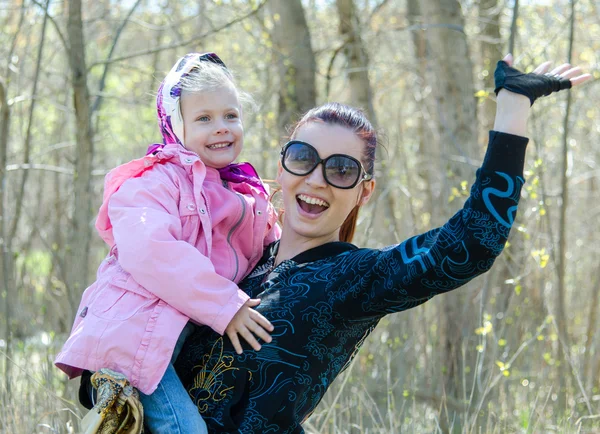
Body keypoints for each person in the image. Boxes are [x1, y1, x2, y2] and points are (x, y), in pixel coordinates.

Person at [173, 55, 591, 433]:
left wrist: (513, 106)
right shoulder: (237, 258)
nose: (317, 179)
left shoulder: (355, 278)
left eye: (340, 169)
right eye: (302, 157)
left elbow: (474, 241)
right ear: (282, 167)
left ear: (364, 191)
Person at [55, 52, 280, 433]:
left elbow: (269, 251)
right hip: (132, 337)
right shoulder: (154, 182)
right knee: (185, 428)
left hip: (178, 335)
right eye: (204, 119)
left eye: (230, 115)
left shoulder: (245, 194)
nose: (222, 127)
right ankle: (113, 391)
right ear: (176, 126)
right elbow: (151, 251)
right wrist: (226, 305)